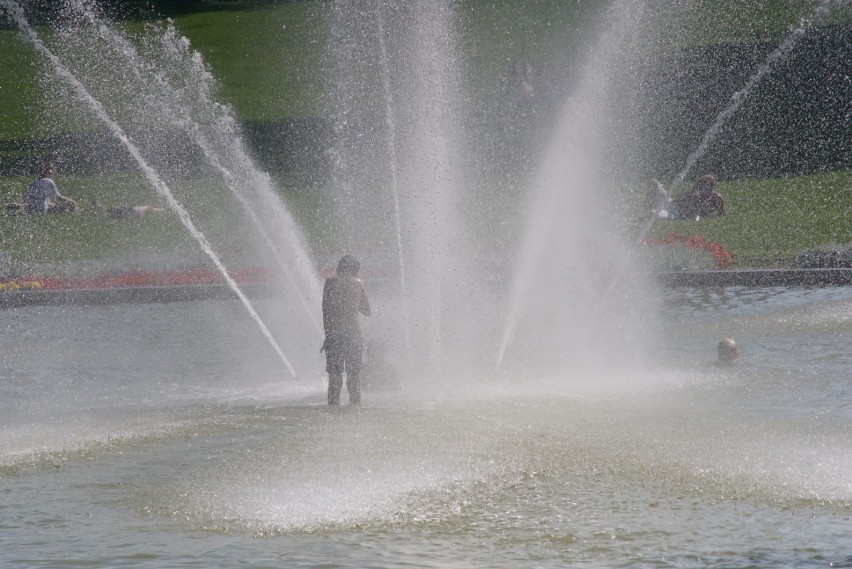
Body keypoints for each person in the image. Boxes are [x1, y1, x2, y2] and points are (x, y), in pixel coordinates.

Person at [321, 255, 371, 405]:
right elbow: (367, 311)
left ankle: (333, 411)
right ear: (355, 269)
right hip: (353, 335)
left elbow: (325, 312)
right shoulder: (357, 284)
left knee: (335, 379)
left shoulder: (329, 283)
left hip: (334, 334)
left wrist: (328, 336)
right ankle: (355, 412)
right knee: (354, 378)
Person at [92, 201, 165, 219]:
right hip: (130, 211)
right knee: (111, 211)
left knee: (111, 211)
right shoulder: (139, 212)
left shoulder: (138, 212)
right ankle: (99, 209)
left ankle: (99, 209)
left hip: (129, 211)